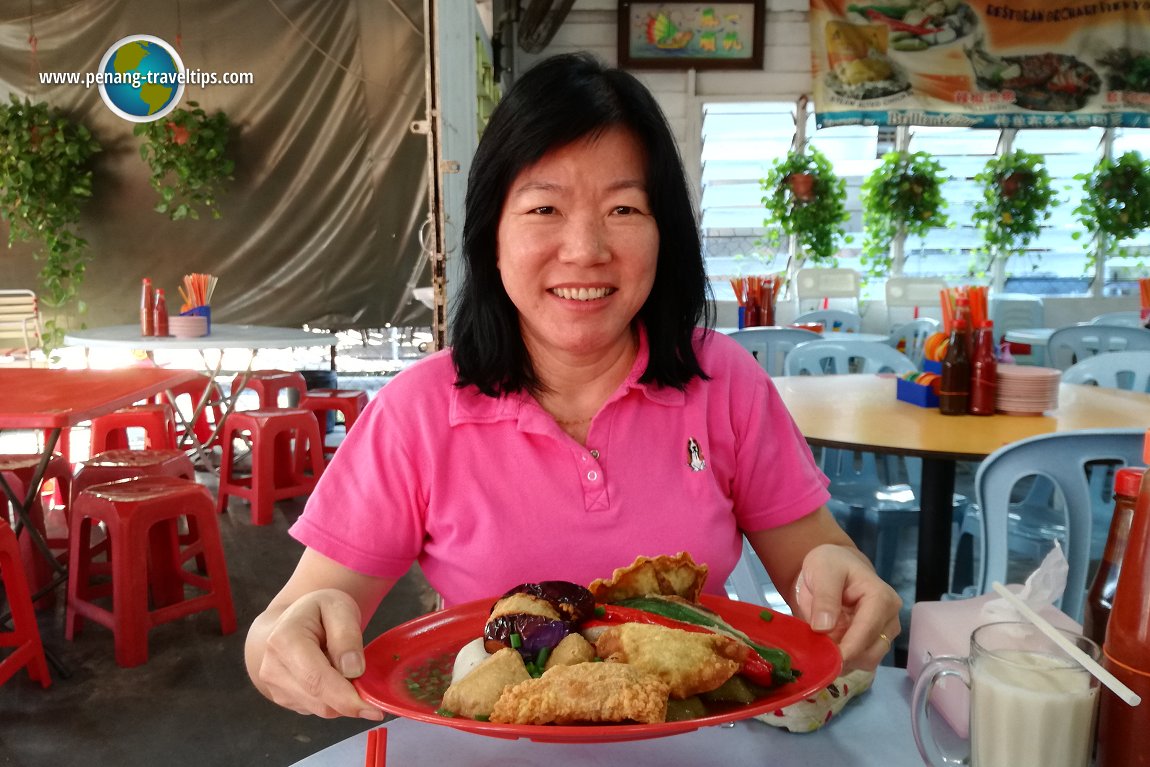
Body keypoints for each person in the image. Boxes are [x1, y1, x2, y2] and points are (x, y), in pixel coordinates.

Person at [245, 52, 902, 720]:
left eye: (623, 207)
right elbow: (286, 621)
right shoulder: (415, 412)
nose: (585, 248)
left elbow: (817, 561)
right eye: (544, 208)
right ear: (491, 236)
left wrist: (844, 582)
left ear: (663, 234)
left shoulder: (725, 382)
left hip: (698, 744)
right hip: (483, 751)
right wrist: (281, 641)